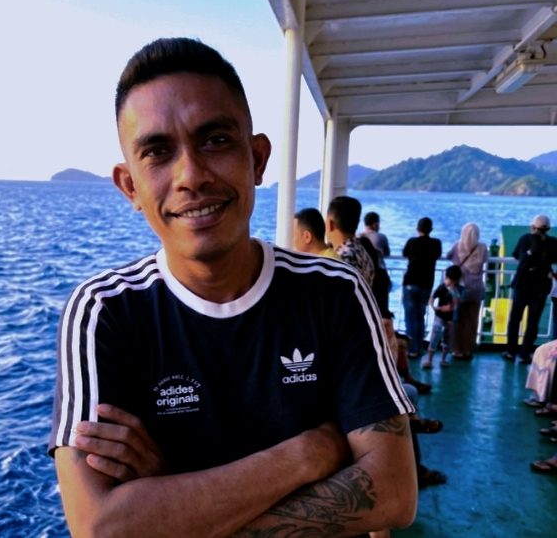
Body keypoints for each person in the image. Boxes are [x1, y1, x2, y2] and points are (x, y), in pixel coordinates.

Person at [48, 37, 417, 537]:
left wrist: (169, 505)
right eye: (157, 152)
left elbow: (393, 492)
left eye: (215, 140)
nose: (191, 176)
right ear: (130, 186)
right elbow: (101, 528)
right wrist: (306, 455)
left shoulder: (333, 292)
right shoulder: (105, 312)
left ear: (257, 158)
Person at [504, 215, 557, 364]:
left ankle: (510, 351)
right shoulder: (553, 243)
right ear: (548, 229)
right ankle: (525, 353)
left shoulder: (525, 239)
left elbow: (517, 256)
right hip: (541, 287)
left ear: (533, 227)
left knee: (515, 320)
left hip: (522, 285)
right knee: (533, 322)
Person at [446, 223, 488, 359]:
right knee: (472, 321)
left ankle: (456, 349)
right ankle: (468, 349)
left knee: (458, 320)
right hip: (476, 290)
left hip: (460, 290)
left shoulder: (457, 246)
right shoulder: (482, 248)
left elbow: (448, 256)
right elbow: (485, 259)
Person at [402, 217, 442, 358]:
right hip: (426, 284)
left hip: (410, 282)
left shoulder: (412, 242)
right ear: (431, 229)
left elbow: (405, 253)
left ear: (417, 228)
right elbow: (438, 255)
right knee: (420, 316)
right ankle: (419, 347)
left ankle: (411, 349)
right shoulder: (436, 243)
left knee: (410, 317)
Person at [422, 265, 463, 369]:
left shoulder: (458, 289)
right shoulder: (442, 287)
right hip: (440, 316)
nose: (449, 282)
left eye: (452, 280)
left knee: (447, 339)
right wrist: (434, 307)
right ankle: (429, 360)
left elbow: (456, 303)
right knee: (435, 336)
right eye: (448, 278)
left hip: (451, 319)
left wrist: (450, 305)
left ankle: (443, 359)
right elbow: (432, 297)